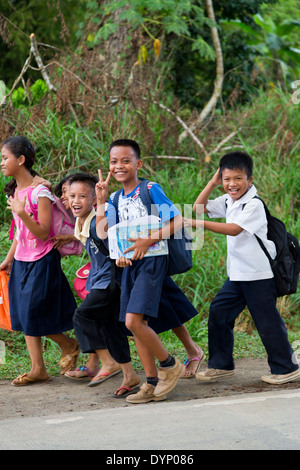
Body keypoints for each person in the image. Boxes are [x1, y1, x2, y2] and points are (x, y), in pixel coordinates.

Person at [186, 151, 299, 385]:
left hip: (258, 275)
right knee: (219, 313)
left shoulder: (253, 205)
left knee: (266, 321)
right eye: (227, 179)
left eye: (238, 178)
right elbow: (198, 207)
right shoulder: (229, 201)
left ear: (250, 180)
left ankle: (286, 367)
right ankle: (221, 365)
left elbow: (235, 229)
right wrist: (212, 182)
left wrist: (199, 224)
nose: (232, 184)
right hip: (237, 275)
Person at [95, 138, 192, 404]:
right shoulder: (114, 197)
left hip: (152, 261)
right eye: (114, 161)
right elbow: (107, 233)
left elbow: (176, 220)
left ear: (138, 164)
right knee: (137, 326)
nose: (119, 166)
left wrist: (148, 240)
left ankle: (169, 365)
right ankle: (150, 382)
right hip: (131, 264)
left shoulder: (149, 188)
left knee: (133, 321)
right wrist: (101, 201)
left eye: (126, 161)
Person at [0, 136, 79, 386]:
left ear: (20, 160)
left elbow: (44, 232)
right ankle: (38, 369)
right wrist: (9, 259)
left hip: (42, 258)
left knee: (34, 312)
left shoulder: (40, 191)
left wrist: (22, 212)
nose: (2, 163)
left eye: (5, 158)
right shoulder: (16, 191)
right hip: (22, 260)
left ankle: (69, 344)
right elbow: (19, 233)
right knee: (22, 314)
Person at [66, 172, 140, 396]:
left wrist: (102, 200)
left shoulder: (102, 213)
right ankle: (130, 375)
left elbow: (106, 234)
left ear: (93, 199)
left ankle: (108, 362)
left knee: (82, 316)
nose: (76, 201)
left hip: (110, 280)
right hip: (100, 279)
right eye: (71, 196)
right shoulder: (80, 220)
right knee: (109, 326)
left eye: (82, 196)